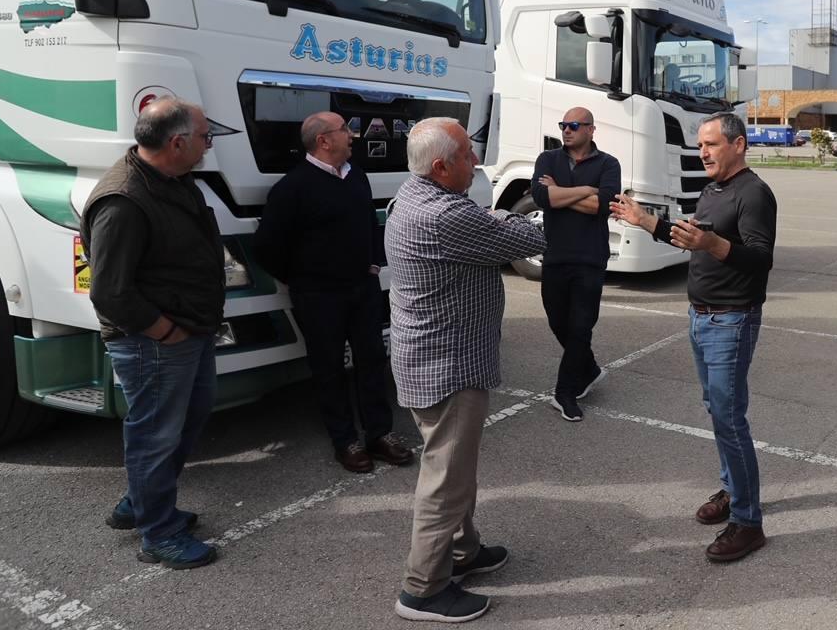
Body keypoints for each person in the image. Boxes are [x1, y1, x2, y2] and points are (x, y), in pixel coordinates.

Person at [386, 118, 546, 623]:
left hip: (433, 358)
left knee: (454, 470)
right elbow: (522, 237)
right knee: (445, 481)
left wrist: (493, 220)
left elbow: (489, 223)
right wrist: (504, 222)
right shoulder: (442, 216)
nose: (476, 162)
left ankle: (463, 552)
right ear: (440, 166)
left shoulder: (414, 195)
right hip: (447, 366)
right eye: (467, 155)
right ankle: (423, 589)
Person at [610, 111, 776, 563]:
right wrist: (645, 221)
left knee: (729, 417)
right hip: (701, 317)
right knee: (717, 410)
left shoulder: (754, 193)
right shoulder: (712, 189)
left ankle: (747, 522)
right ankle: (732, 487)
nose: (703, 151)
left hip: (731, 320)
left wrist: (713, 247)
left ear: (738, 144)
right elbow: (693, 239)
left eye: (712, 144)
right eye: (701, 145)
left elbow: (759, 260)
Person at [79, 98, 223, 570]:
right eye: (205, 136)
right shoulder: (124, 200)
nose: (209, 143)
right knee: (156, 434)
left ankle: (141, 503)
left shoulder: (170, 179)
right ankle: (157, 533)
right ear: (178, 142)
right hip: (155, 340)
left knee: (186, 421)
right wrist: (166, 332)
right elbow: (110, 292)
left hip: (189, 330)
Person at [254, 112, 413, 473]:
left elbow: (371, 223)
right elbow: (267, 246)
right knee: (328, 368)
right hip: (319, 296)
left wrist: (374, 262)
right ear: (323, 140)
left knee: (372, 361)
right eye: (345, 130)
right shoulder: (292, 187)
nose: (352, 135)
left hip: (362, 289)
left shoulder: (357, 176)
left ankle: (379, 434)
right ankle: (345, 440)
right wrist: (299, 278)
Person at [531, 107, 622, 422]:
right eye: (563, 125)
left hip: (590, 259)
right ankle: (590, 369)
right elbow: (542, 198)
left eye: (573, 125)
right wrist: (586, 190)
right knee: (560, 324)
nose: (566, 130)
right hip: (555, 257)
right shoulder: (548, 159)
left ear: (591, 130)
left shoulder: (609, 163)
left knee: (581, 327)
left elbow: (604, 205)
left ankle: (564, 392)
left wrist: (561, 192)